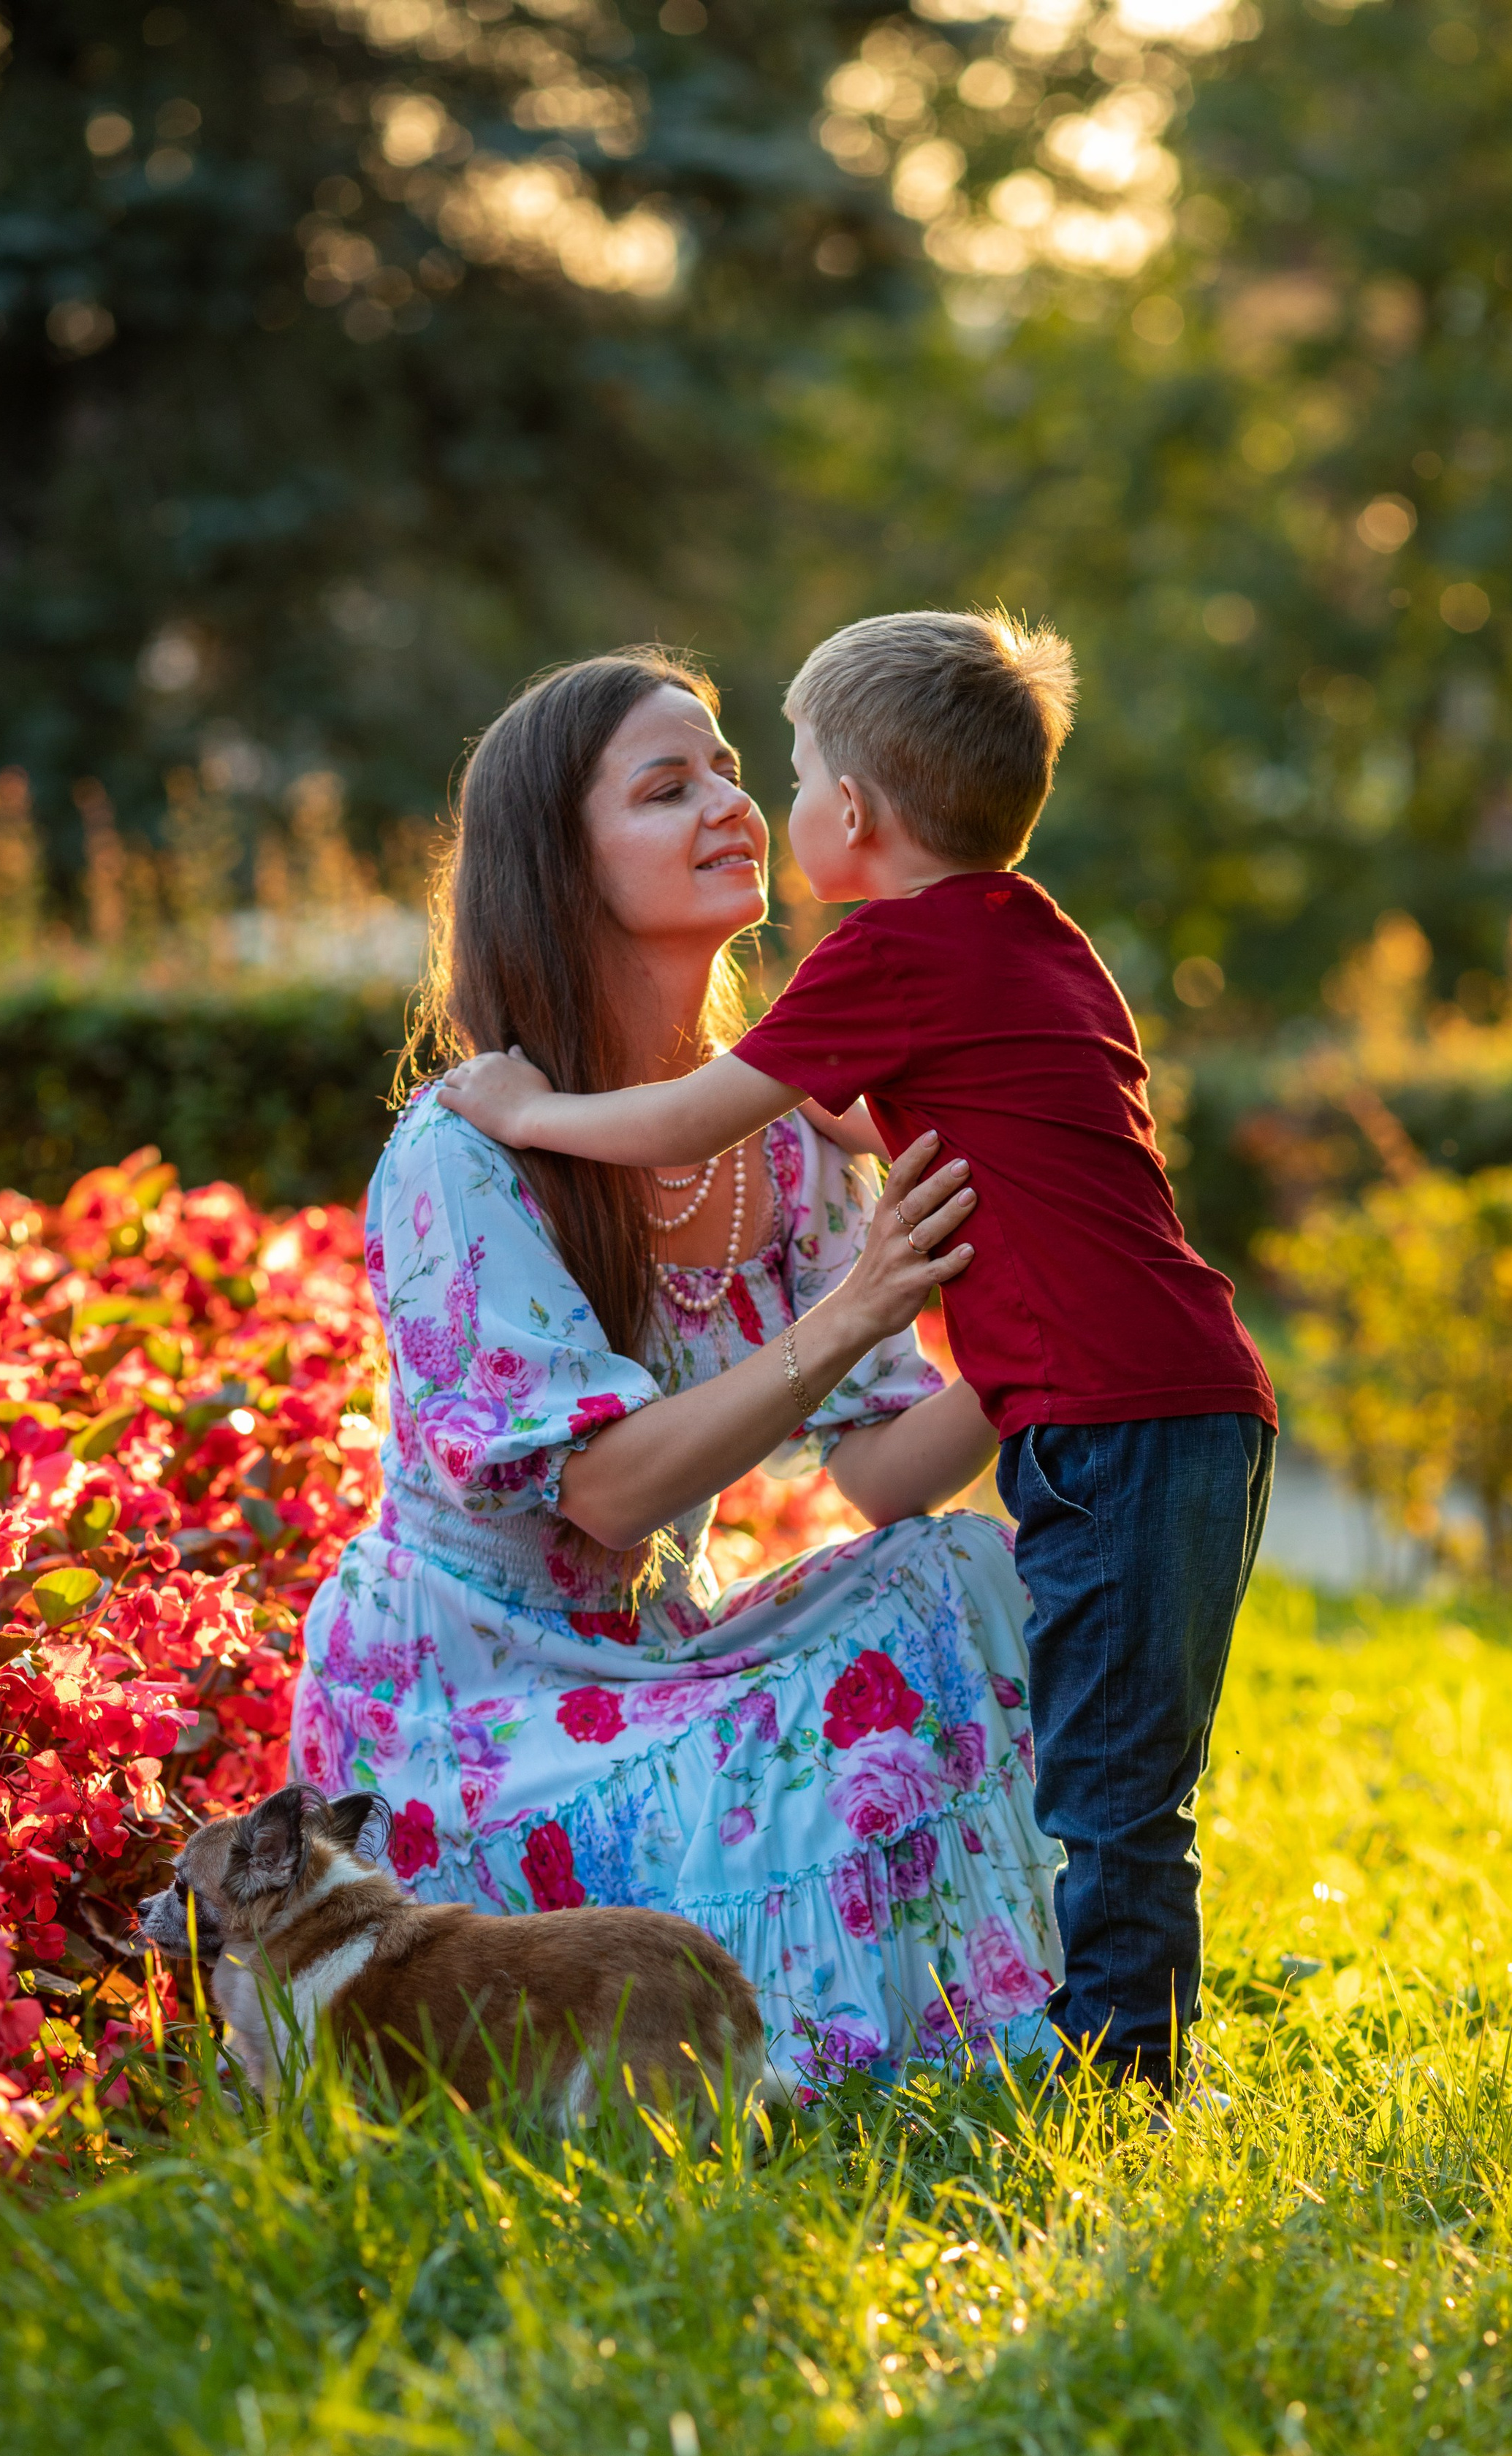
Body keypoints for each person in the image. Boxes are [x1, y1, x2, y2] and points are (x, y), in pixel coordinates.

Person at [438, 609, 1277, 2098]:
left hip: (1116, 1409)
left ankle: (1119, 2073)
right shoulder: (1028, 935)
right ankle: (1103, 2046)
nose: (749, 803)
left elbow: (694, 1114)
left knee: (1110, 1783)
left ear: (851, 813)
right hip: (1174, 1392)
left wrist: (528, 1108)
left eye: (770, 767)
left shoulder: (884, 954)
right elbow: (882, 1107)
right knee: (1120, 1768)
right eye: (671, 783)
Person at [290, 646, 1064, 2093]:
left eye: (725, 767)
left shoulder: (782, 1139)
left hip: (652, 1664)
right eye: (667, 786)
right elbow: (603, 1499)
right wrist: (838, 1319)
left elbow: (884, 1470)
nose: (730, 804)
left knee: (962, 1578)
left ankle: (993, 2038)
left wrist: (1047, 1321)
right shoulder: (464, 1152)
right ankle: (811, 2070)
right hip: (468, 1719)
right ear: (560, 869)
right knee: (823, 1726)